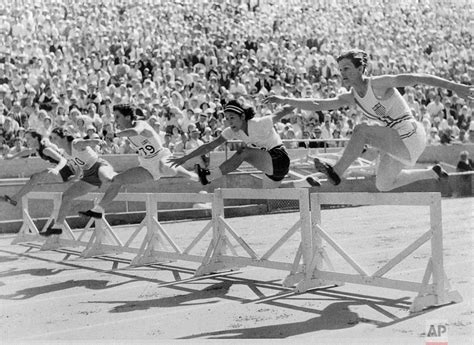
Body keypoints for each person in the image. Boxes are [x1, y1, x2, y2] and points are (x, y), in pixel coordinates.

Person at [264, 49, 473, 191]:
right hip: (396, 141)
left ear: (360, 69)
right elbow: (319, 104)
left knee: (362, 130)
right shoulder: (352, 96)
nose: (342, 73)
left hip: (410, 134)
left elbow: (418, 78)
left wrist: (456, 87)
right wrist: (285, 98)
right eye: (340, 70)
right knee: (384, 184)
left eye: (346, 68)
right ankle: (430, 172)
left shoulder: (379, 84)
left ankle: (337, 171)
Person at [79, 104, 198, 219]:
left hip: (161, 156)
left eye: (117, 117)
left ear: (128, 117)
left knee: (164, 167)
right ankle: (98, 210)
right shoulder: (126, 133)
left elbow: (135, 131)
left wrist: (115, 134)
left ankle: (193, 176)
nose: (115, 120)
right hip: (147, 166)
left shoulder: (140, 124)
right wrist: (105, 144)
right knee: (117, 180)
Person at [168, 100, 315, 188]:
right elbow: (209, 146)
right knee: (272, 192)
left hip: (279, 157)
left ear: (243, 116)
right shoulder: (232, 131)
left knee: (244, 151)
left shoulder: (259, 123)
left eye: (232, 118)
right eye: (226, 118)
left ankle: (209, 176)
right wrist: (184, 158)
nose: (229, 122)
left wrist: (300, 101)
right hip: (270, 164)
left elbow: (284, 110)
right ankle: (303, 183)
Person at [40, 127, 118, 236]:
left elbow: (89, 142)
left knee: (110, 180)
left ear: (64, 136)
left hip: (98, 165)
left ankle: (121, 179)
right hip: (88, 176)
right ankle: (57, 226)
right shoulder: (65, 153)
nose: (53, 140)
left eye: (55, 137)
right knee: (66, 196)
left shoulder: (75, 143)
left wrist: (100, 142)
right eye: (51, 138)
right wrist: (76, 176)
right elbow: (79, 166)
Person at [1, 130, 77, 207]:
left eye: (28, 138)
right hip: (60, 170)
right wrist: (12, 157)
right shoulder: (38, 148)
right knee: (35, 177)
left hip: (67, 171)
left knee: (36, 177)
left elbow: (63, 160)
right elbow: (27, 151)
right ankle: (15, 198)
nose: (26, 141)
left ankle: (15, 199)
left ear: (36, 138)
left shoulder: (45, 149)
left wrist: (56, 169)